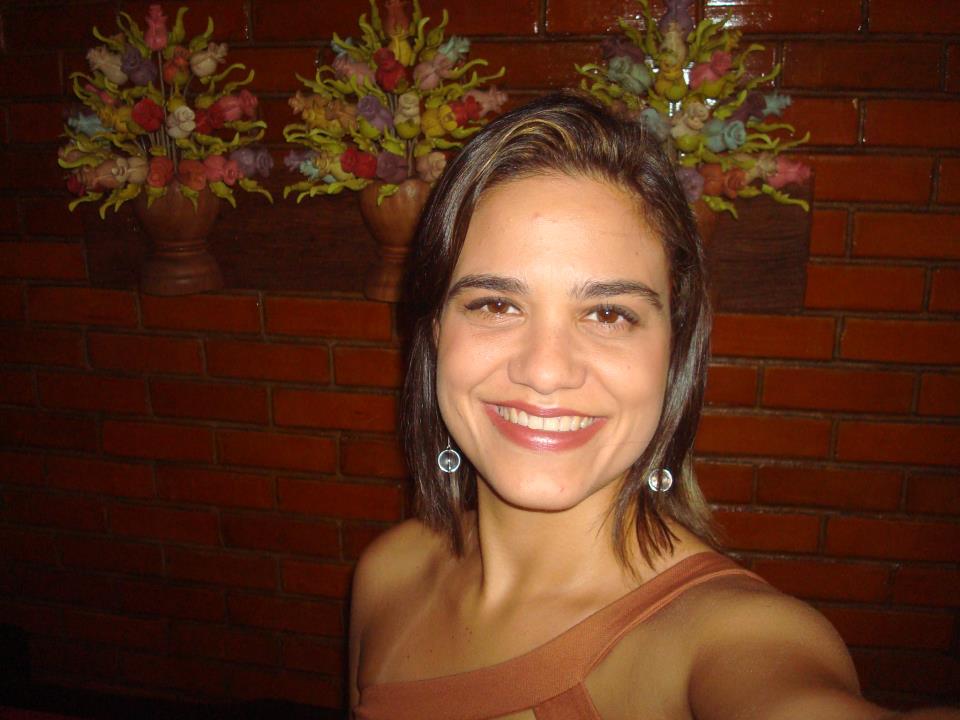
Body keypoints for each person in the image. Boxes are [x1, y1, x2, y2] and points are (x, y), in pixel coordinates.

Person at [347, 93, 959, 720]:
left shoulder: (722, 636)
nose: (546, 370)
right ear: (435, 335)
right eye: (495, 305)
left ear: (674, 351)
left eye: (609, 314)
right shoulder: (388, 574)